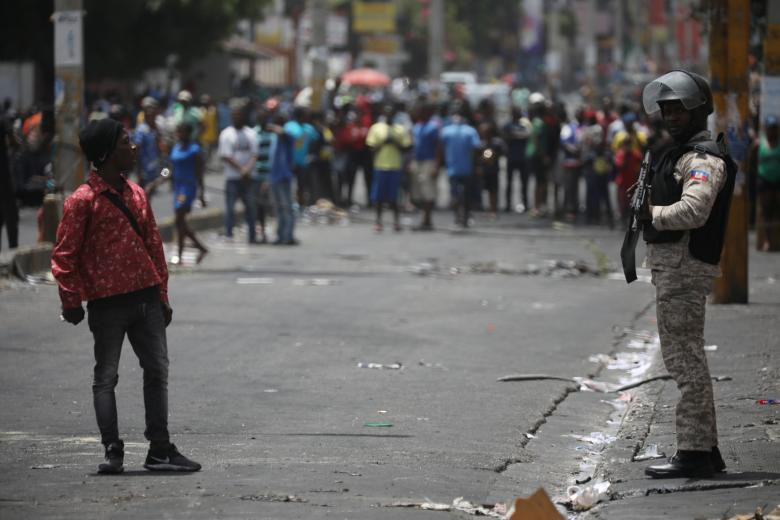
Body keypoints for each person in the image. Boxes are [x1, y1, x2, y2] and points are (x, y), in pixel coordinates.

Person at [51, 118, 201, 474]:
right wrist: (71, 300)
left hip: (146, 298)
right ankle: (113, 450)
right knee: (106, 377)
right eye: (126, 142)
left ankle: (160, 449)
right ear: (105, 153)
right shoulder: (81, 202)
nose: (134, 148)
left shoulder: (137, 194)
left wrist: (162, 294)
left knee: (157, 371)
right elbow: (63, 256)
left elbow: (153, 247)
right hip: (107, 304)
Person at [638, 71, 736, 479]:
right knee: (685, 358)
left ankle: (694, 453)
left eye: (679, 108)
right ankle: (704, 449)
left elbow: (695, 210)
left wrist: (651, 214)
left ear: (699, 110)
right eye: (666, 109)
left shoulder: (702, 159)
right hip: (674, 269)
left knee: (684, 361)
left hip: (684, 268)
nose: (671, 116)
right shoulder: (678, 154)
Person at [146, 122, 208, 264]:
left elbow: (200, 173)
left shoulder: (194, 150)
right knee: (180, 222)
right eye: (178, 132)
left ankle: (194, 249)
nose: (179, 135)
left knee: (179, 219)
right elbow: (169, 169)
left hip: (188, 188)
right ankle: (186, 253)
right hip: (177, 188)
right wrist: (158, 180)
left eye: (181, 132)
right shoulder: (176, 149)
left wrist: (201, 193)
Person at [365, 103, 412, 232]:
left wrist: (395, 142)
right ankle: (378, 221)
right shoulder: (376, 128)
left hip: (395, 166)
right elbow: (371, 147)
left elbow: (407, 147)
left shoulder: (400, 129)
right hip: (380, 165)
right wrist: (383, 142)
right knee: (379, 197)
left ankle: (396, 222)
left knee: (394, 197)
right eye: (387, 112)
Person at [219, 101, 259, 243]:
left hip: (249, 178)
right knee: (230, 209)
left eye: (239, 115)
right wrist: (241, 169)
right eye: (234, 115)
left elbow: (255, 154)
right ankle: (229, 234)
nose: (236, 118)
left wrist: (247, 169)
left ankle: (252, 235)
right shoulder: (226, 134)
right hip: (233, 177)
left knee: (251, 207)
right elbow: (226, 156)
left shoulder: (251, 134)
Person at [440, 104, 481, 229]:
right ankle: (466, 217)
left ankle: (457, 218)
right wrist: (477, 165)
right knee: (467, 195)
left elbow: (440, 148)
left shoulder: (446, 131)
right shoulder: (470, 131)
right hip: (467, 168)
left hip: (452, 168)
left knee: (455, 195)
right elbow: (477, 149)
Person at [267, 115, 298, 245]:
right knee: (278, 209)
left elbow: (285, 134)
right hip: (274, 177)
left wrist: (275, 128)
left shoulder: (287, 136)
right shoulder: (274, 139)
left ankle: (288, 236)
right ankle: (280, 235)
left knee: (287, 207)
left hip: (284, 177)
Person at [410, 101, 440, 230]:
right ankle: (423, 219)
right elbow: (413, 146)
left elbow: (438, 147)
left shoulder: (433, 127)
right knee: (417, 192)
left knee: (428, 192)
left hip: (429, 161)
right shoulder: (416, 127)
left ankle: (427, 220)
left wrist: (436, 165)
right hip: (417, 161)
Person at [756, 116, 780, 251]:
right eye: (770, 128)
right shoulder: (759, 144)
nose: (773, 131)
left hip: (778, 181)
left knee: (777, 209)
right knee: (766, 211)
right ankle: (766, 241)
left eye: (775, 128)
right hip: (764, 179)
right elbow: (751, 162)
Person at [502, 106, 531, 212]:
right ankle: (508, 204)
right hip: (511, 157)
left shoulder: (525, 124)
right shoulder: (507, 125)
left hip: (523, 157)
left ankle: (525, 203)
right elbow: (505, 137)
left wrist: (515, 135)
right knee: (509, 182)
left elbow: (528, 135)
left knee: (524, 183)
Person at [132, 96, 164, 188]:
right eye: (149, 113)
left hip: (155, 169)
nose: (152, 115)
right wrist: (139, 172)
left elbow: (160, 149)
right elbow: (137, 150)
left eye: (153, 113)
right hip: (144, 171)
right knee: (145, 195)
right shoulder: (141, 130)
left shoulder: (156, 129)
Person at [476, 122, 504, 216]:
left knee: (493, 190)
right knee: (482, 190)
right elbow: (476, 157)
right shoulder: (479, 144)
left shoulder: (497, 143)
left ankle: (493, 209)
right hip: (483, 170)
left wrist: (494, 156)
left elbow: (502, 153)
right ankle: (482, 208)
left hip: (493, 170)